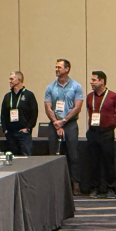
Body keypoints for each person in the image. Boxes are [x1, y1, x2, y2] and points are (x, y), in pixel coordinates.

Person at [43, 59, 84, 192]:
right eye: (56, 67)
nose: (56, 69)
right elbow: (48, 107)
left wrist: (64, 121)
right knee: (53, 154)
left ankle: (75, 184)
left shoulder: (76, 86)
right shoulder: (50, 87)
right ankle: (55, 184)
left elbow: (77, 107)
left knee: (73, 155)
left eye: (59, 67)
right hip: (54, 123)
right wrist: (56, 122)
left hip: (70, 124)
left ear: (67, 69)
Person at [86, 71, 116, 198]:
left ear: (102, 81)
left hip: (107, 133)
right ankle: (95, 188)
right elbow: (89, 112)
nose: (91, 82)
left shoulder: (113, 96)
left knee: (108, 161)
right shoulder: (90, 97)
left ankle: (110, 188)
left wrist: (111, 127)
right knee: (94, 161)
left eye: (94, 80)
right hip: (93, 132)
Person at [1, 71, 38, 157]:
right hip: (10, 133)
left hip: (23, 133)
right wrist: (5, 129)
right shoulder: (7, 96)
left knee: (26, 158)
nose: (10, 81)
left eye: (12, 79)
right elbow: (3, 114)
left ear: (19, 80)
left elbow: (34, 113)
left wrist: (28, 128)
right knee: (13, 158)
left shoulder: (28, 95)